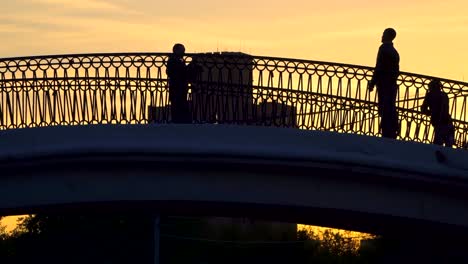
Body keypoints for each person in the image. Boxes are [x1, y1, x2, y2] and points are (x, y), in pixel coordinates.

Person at [368, 28, 400, 139]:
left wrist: (372, 82)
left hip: (384, 84)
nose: (381, 36)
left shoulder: (383, 49)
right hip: (391, 84)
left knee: (384, 108)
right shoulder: (394, 52)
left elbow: (379, 67)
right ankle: (392, 130)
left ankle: (387, 132)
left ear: (387, 36)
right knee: (390, 107)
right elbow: (396, 71)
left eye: (383, 34)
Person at [421, 79, 455, 147]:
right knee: (448, 144)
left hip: (438, 122)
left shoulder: (430, 95)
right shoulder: (444, 95)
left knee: (438, 144)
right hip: (447, 122)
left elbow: (423, 109)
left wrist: (430, 112)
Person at [166, 43, 191, 123]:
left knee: (180, 105)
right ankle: (179, 121)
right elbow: (172, 72)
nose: (184, 53)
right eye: (182, 50)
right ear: (176, 51)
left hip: (180, 87)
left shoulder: (177, 60)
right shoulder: (173, 60)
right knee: (178, 105)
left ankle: (180, 120)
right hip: (177, 87)